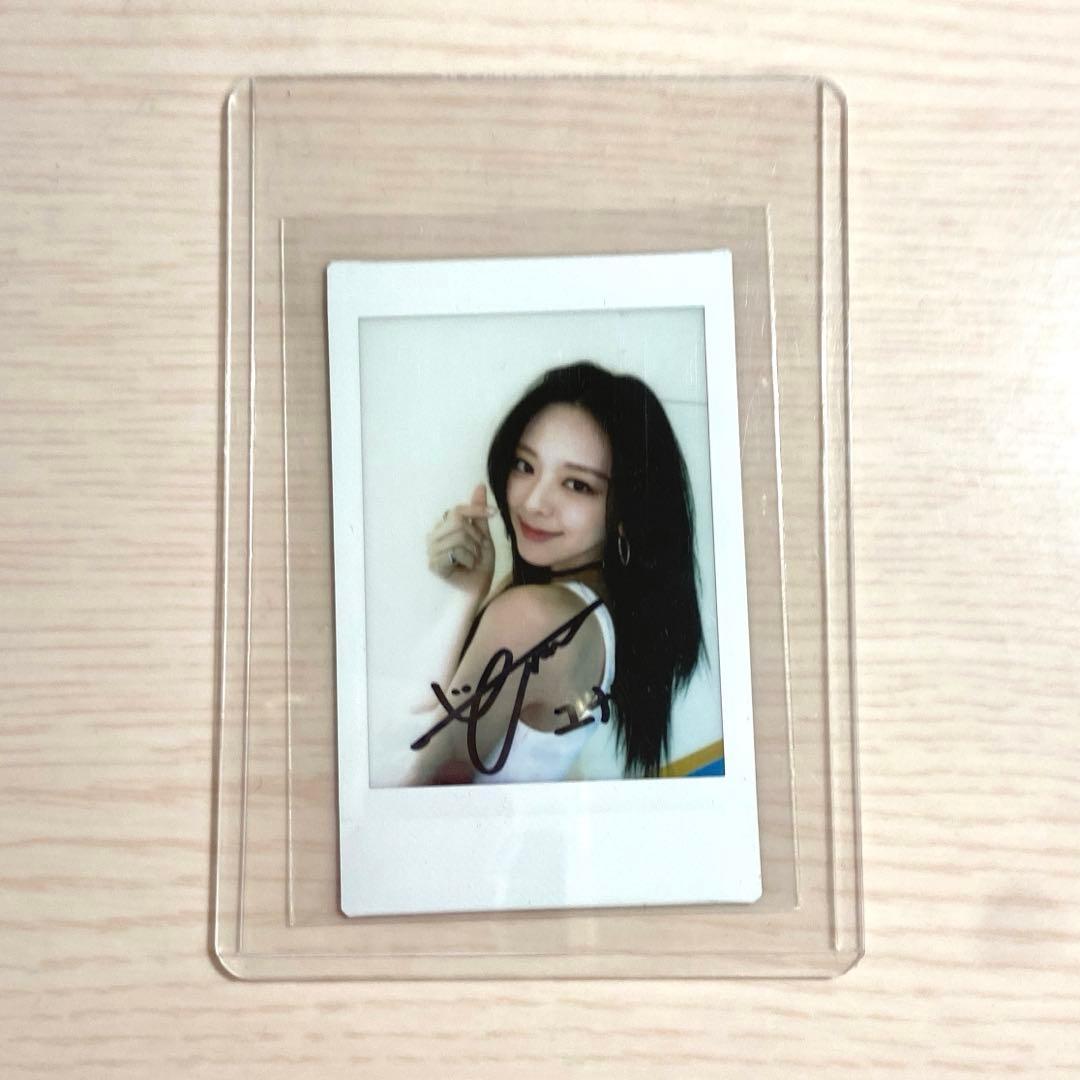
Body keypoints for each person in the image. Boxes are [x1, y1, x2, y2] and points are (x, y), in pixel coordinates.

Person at [406, 362, 704, 785]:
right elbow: (432, 717)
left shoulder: (534, 616)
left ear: (628, 511)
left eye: (577, 485)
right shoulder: (584, 605)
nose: (533, 503)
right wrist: (469, 593)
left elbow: (426, 777)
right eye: (525, 465)